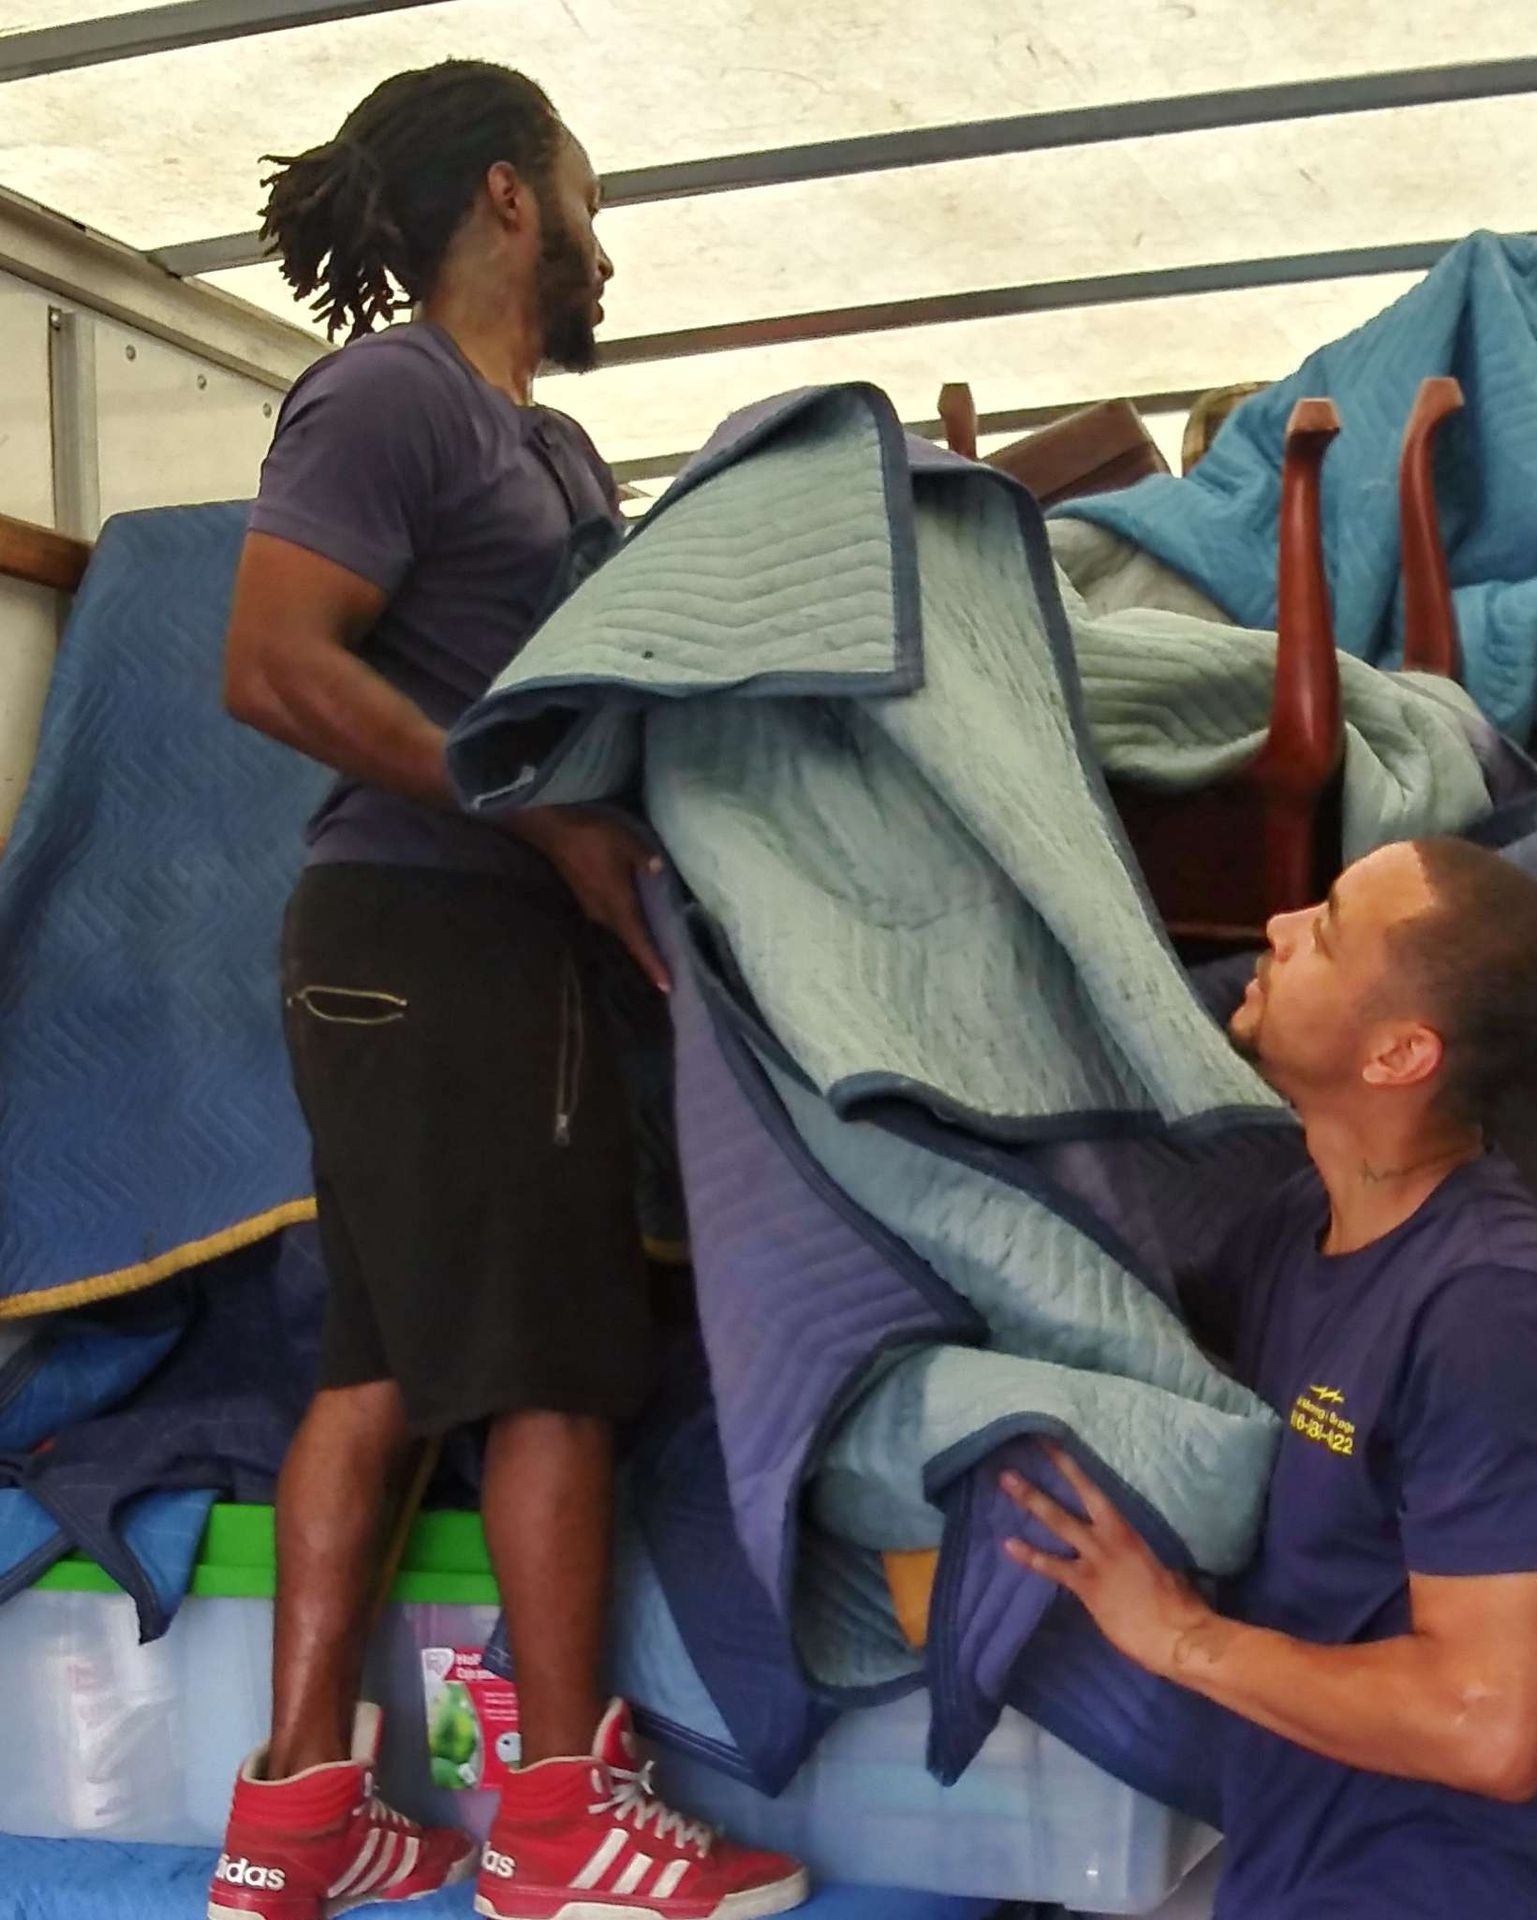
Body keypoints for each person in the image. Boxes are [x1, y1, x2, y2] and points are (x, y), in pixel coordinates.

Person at [211, 61, 807, 1920]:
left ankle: (294, 1823)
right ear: (509, 199)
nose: (606, 239)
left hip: (443, 944)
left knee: (376, 1366)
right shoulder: (391, 396)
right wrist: (540, 824)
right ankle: (559, 1829)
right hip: (439, 934)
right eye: (590, 194)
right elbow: (269, 662)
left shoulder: (544, 451)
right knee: (553, 1365)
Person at [1002, 838, 1537, 1920]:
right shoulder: (1300, 1230)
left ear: (1397, 1055)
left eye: (1326, 930)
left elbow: (1490, 1726)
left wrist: (1179, 1636)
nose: (1280, 929)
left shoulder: (1492, 1310)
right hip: (1294, 1877)